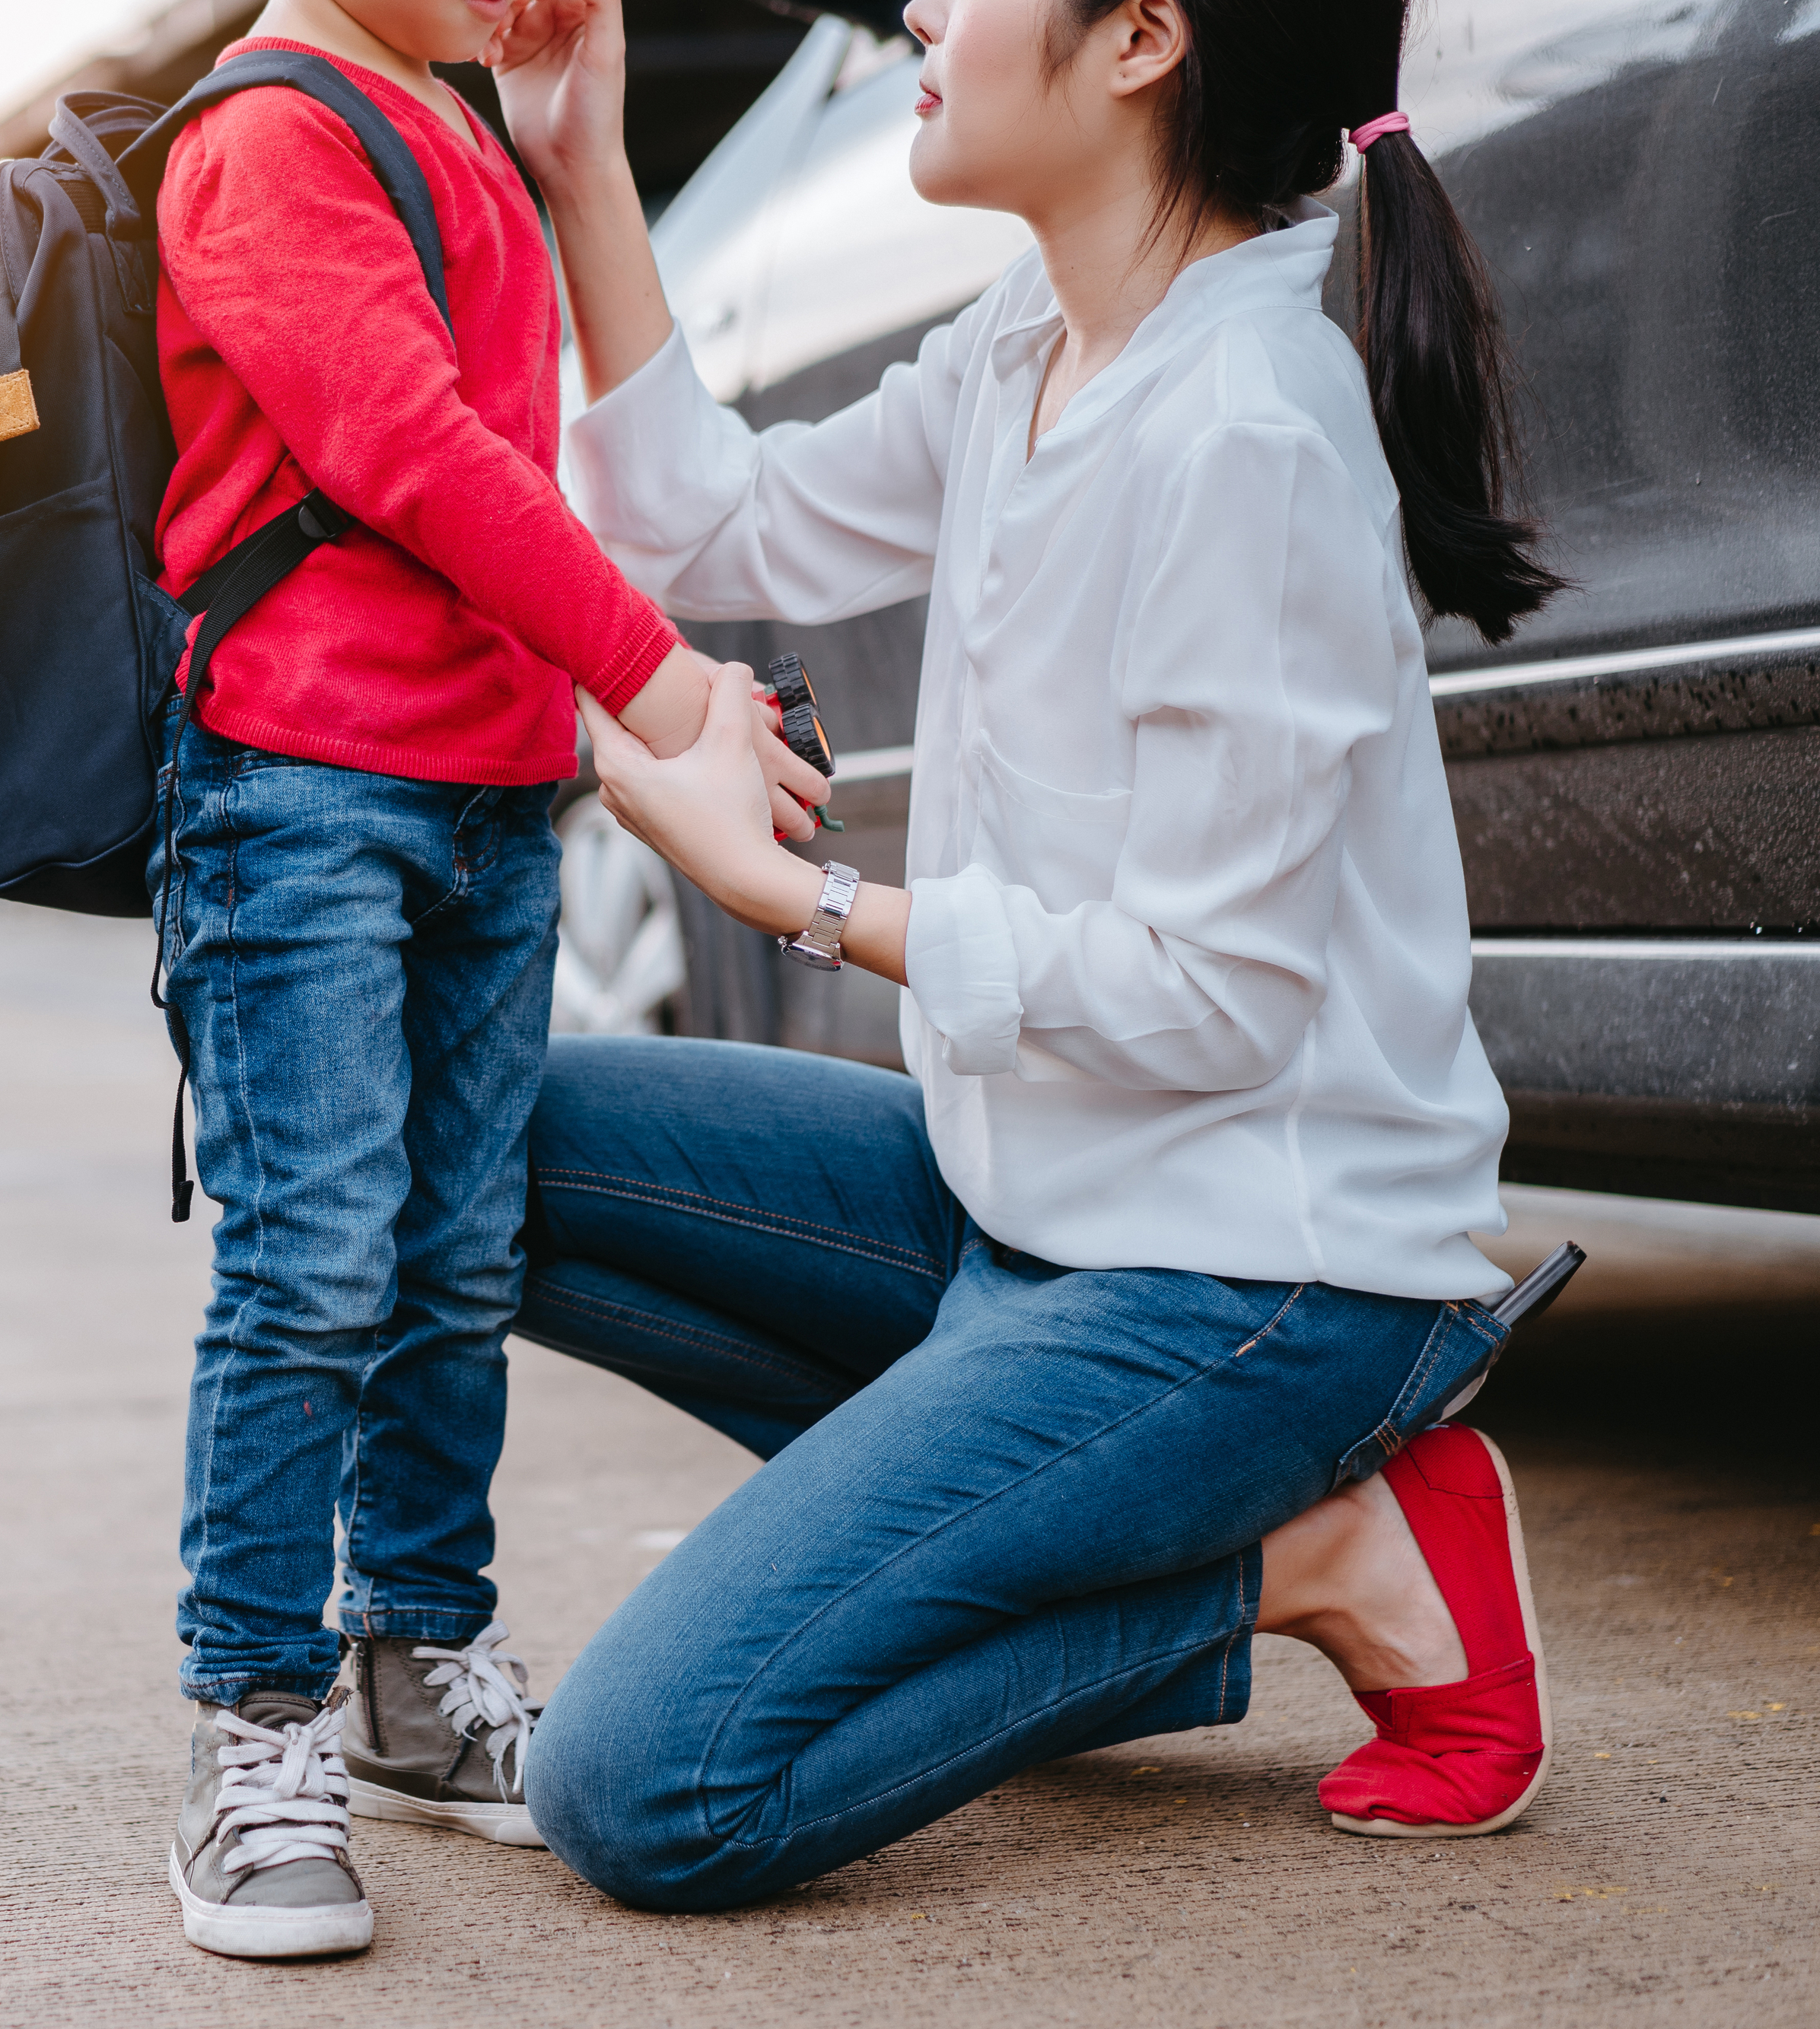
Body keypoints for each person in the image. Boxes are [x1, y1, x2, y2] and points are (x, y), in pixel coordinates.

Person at [473, 0, 1570, 1910]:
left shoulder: (1247, 433)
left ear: (1139, 38)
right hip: (1024, 1206)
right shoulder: (1028, 343)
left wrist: (796, 897)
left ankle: (1305, 1557)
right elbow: (704, 515)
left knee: (645, 1784)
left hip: (1249, 1279)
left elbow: (1212, 994)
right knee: (469, 1145)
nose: (916, 11)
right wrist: (578, 157)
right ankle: (1032, 1519)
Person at [144, 0, 834, 1961]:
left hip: (490, 796)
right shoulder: (265, 136)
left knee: (453, 1254)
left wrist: (566, 143)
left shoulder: (459, 130)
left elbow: (533, 488)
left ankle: (413, 1661)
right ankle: (252, 1715)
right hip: (299, 790)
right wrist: (668, 678)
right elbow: (415, 456)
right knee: (312, 1258)